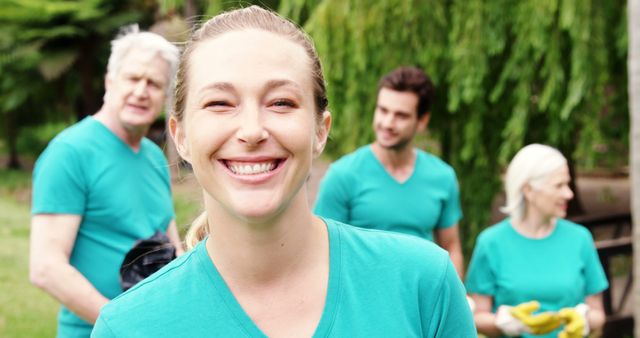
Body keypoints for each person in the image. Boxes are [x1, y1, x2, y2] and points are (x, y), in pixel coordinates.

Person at [91, 6, 476, 337]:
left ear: (320, 130)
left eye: (280, 102)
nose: (253, 131)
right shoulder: (128, 327)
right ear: (181, 137)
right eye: (220, 103)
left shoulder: (425, 284)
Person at [29, 27, 182, 337]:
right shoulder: (70, 152)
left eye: (154, 84)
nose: (141, 91)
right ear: (110, 81)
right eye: (132, 78)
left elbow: (172, 247)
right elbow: (47, 268)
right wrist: (122, 326)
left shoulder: (155, 157)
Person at [313, 66, 465, 278]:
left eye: (400, 115)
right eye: (383, 110)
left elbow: (452, 247)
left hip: (424, 301)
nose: (387, 123)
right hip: (365, 300)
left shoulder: (443, 177)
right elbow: (321, 253)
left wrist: (453, 300)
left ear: (421, 121)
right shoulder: (342, 175)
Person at [465, 144, 608, 338]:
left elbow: (598, 313)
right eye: (559, 186)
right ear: (528, 190)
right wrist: (505, 322)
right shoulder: (491, 243)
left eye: (568, 184)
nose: (569, 194)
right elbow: (477, 317)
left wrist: (583, 320)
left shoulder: (580, 238)